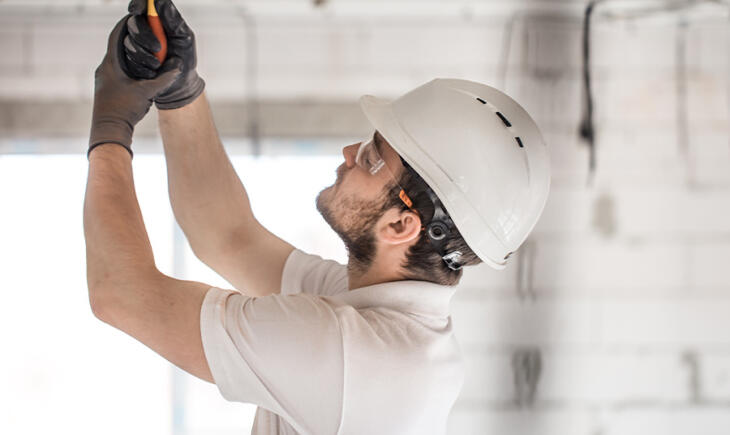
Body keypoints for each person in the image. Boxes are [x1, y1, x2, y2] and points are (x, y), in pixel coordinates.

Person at [83, 1, 551, 434]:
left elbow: (121, 295)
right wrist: (179, 92)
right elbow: (228, 236)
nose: (350, 152)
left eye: (372, 158)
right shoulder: (379, 316)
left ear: (400, 226)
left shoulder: (355, 355)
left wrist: (110, 124)